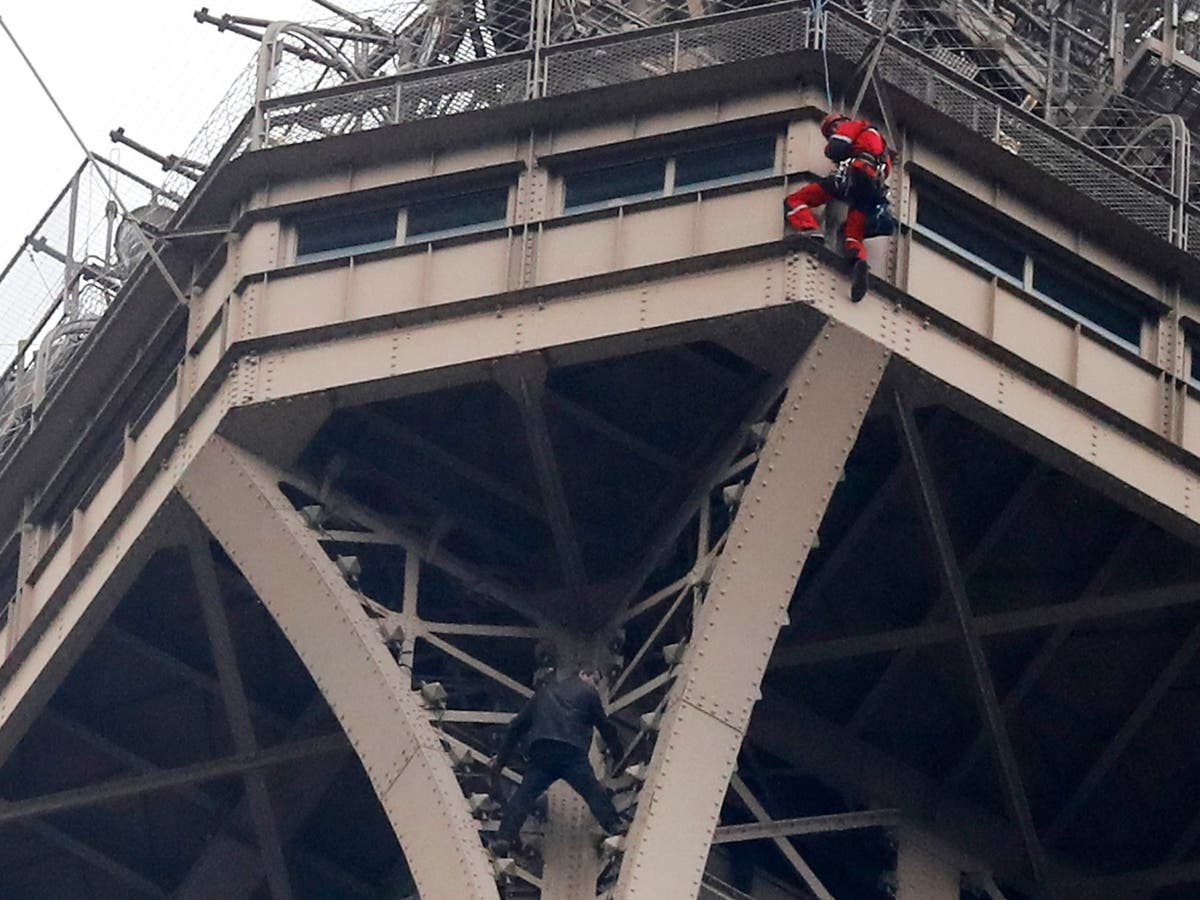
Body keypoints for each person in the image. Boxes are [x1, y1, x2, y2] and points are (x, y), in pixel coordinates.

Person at [489, 668, 625, 855]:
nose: (595, 686)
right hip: (572, 751)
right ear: (584, 675)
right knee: (592, 790)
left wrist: (501, 761)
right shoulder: (588, 693)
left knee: (524, 796)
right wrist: (619, 754)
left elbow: (516, 727)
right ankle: (614, 825)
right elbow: (605, 726)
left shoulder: (543, 693)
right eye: (595, 680)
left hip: (542, 750)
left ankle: (504, 837)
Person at [783, 112, 893, 302]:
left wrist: (836, 144)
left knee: (795, 200)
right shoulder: (881, 146)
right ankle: (858, 261)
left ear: (839, 123)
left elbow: (835, 148)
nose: (832, 133)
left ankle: (810, 229)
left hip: (853, 176)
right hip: (871, 188)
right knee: (852, 234)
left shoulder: (853, 126)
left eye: (831, 129)